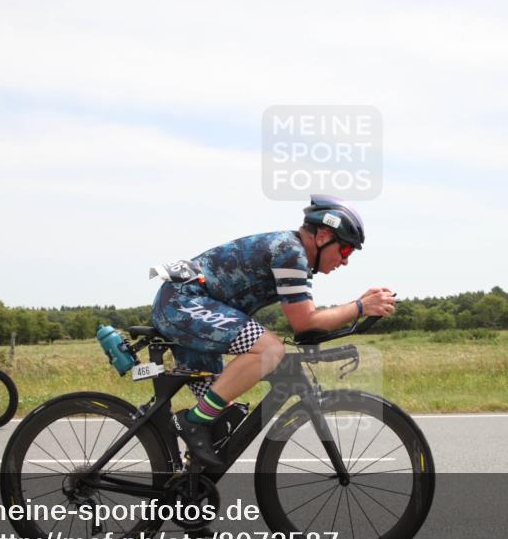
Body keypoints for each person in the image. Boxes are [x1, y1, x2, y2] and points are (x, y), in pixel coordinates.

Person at [153, 195, 396, 466]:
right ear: (323, 236)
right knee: (268, 349)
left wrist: (356, 311)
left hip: (188, 303)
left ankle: (184, 492)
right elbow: (305, 322)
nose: (345, 260)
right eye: (346, 250)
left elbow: (307, 326)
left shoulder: (293, 254)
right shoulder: (291, 253)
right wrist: (361, 306)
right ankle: (191, 422)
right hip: (182, 302)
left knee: (221, 425)